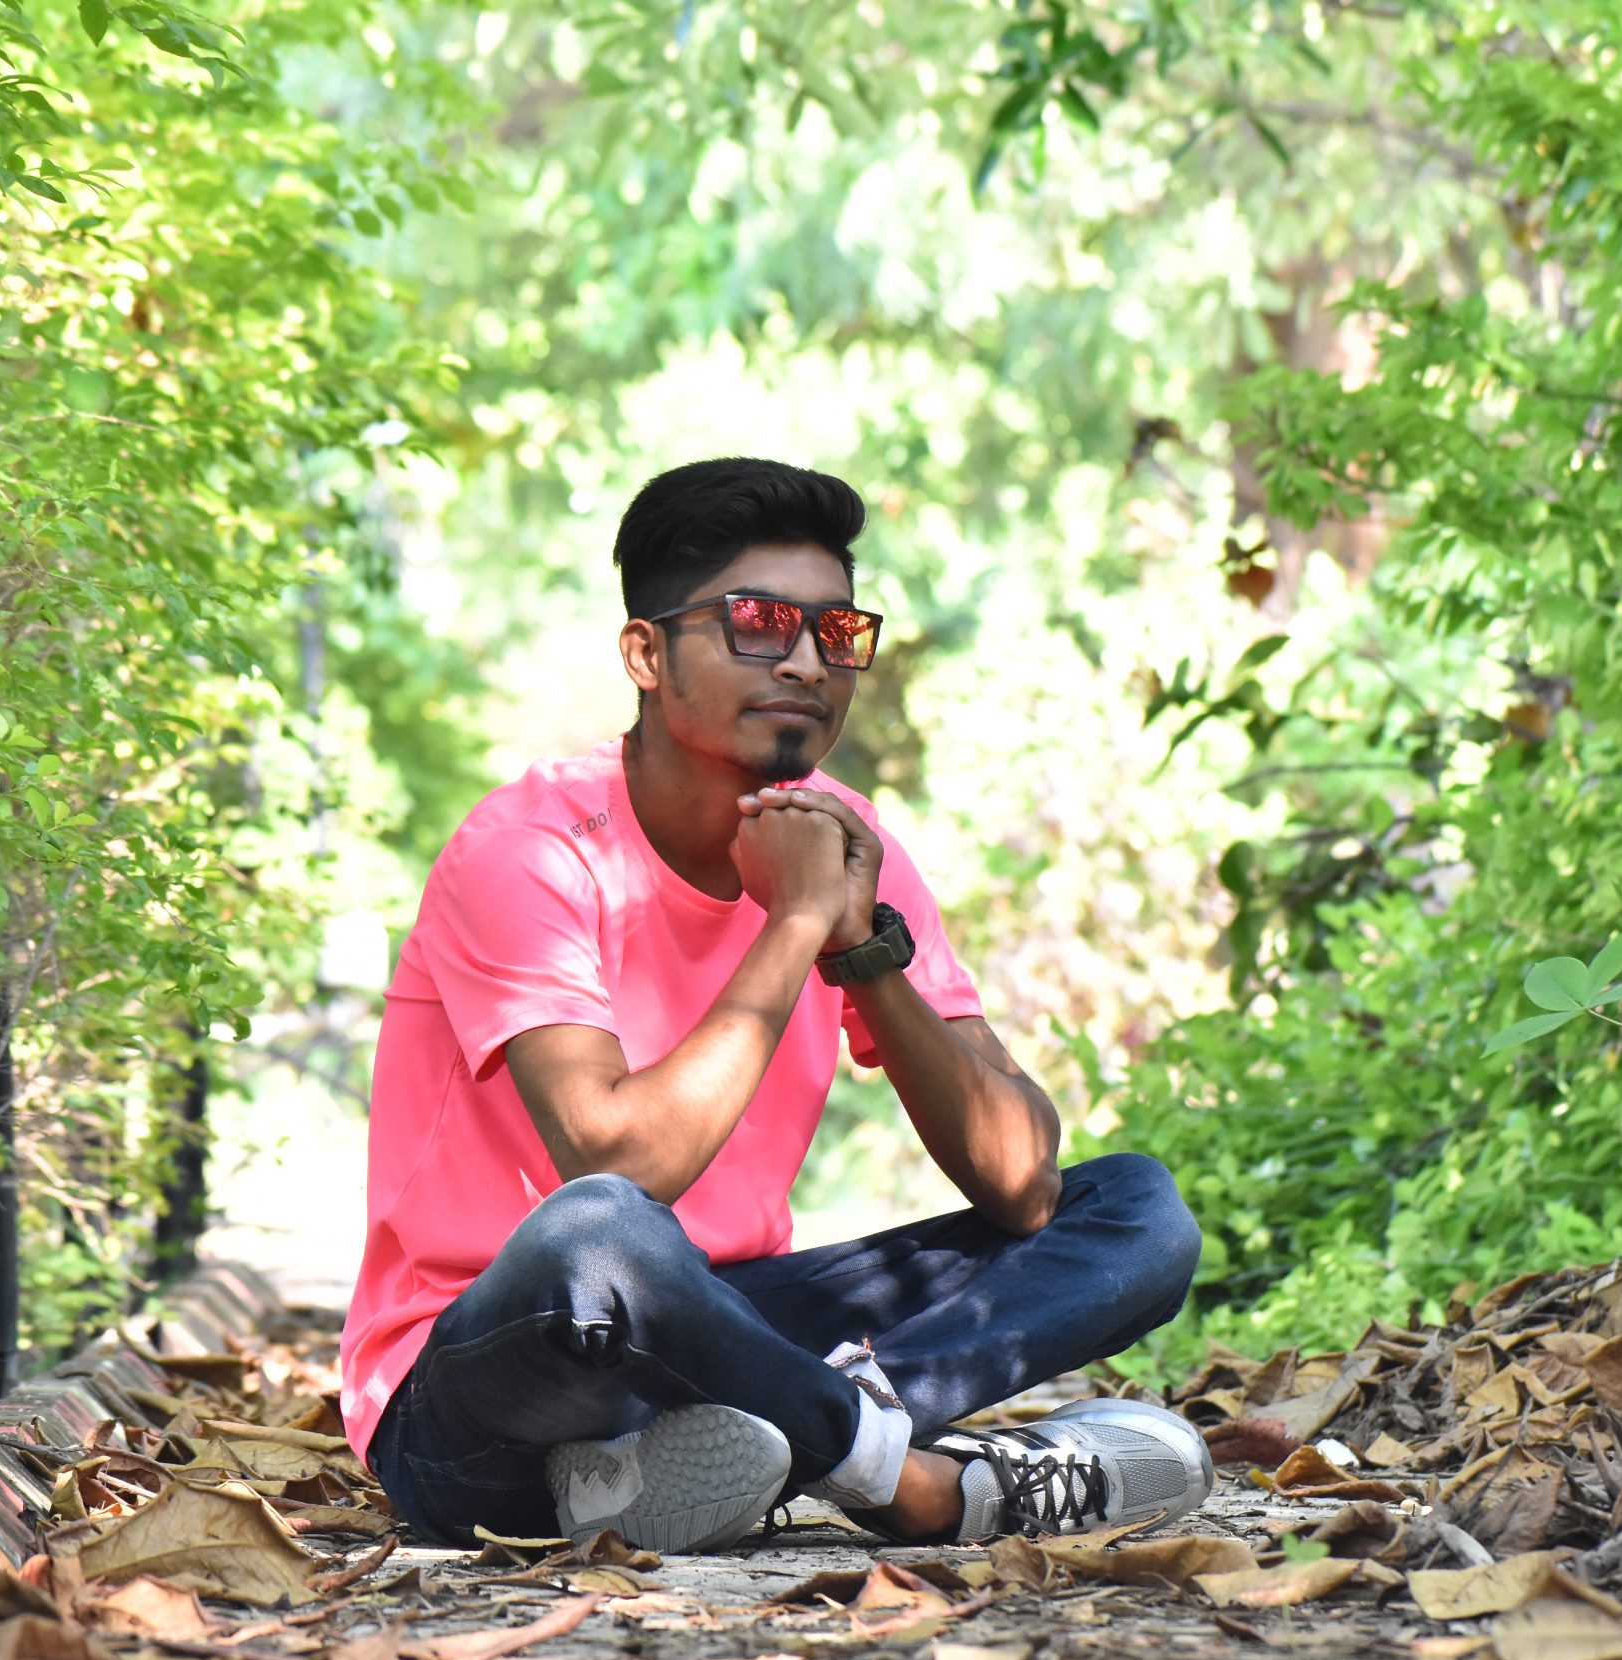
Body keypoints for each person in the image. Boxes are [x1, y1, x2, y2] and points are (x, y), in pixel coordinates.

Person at [343, 457, 1208, 1553]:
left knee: (1132, 1210)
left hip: (722, 1326)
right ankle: (908, 1481)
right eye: (756, 623)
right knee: (601, 1236)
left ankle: (766, 1456)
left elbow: (1020, 1182)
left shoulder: (851, 844)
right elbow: (620, 1164)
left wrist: (857, 945)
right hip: (487, 1385)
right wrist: (793, 922)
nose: (804, 661)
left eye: (836, 634)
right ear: (645, 653)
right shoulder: (529, 849)